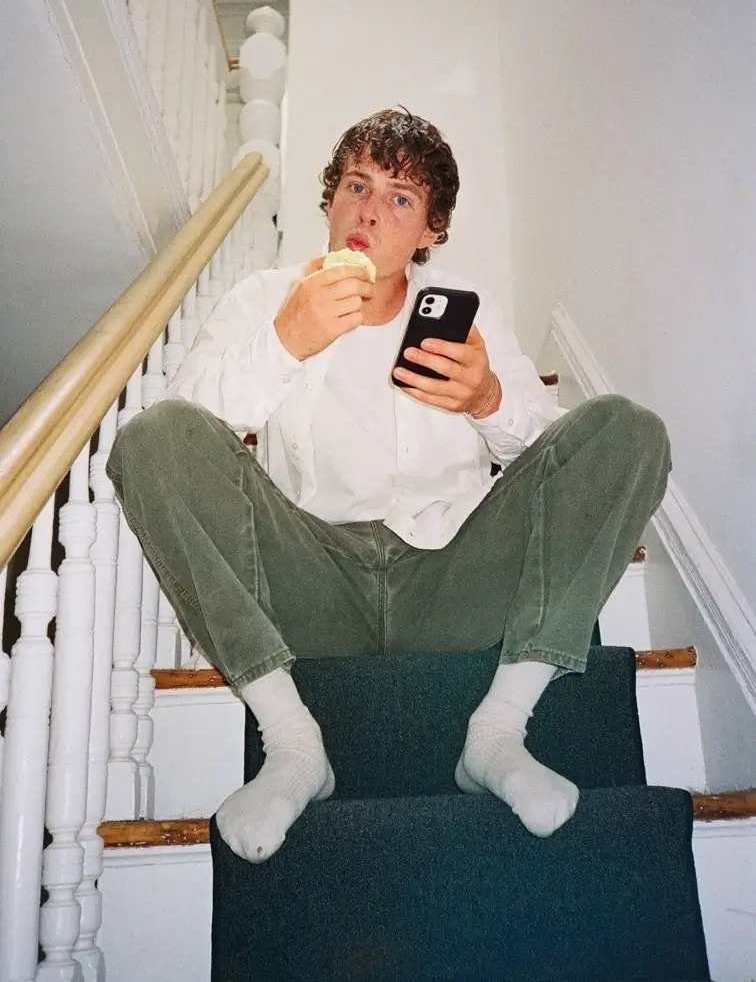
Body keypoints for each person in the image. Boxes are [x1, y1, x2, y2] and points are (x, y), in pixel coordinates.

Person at [107, 108, 670, 864]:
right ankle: (294, 744)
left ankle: (498, 733)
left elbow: (557, 457)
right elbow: (183, 437)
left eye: (400, 198)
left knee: (629, 430)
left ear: (431, 229)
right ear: (331, 199)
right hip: (311, 584)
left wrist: (488, 400)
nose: (369, 211)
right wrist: (286, 341)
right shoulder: (261, 299)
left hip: (454, 581)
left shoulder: (468, 314)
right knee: (148, 436)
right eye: (355, 185)